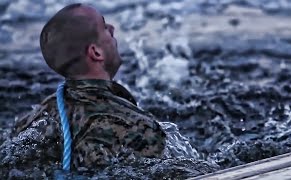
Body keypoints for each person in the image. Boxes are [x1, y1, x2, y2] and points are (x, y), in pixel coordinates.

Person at [0, 3, 168, 170]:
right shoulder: (137, 125)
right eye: (104, 26)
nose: (112, 28)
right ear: (96, 53)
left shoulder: (28, 123)